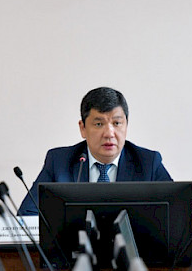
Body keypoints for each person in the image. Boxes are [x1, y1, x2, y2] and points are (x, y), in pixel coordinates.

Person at [17, 87, 173, 216]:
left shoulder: (148, 163)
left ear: (126, 125)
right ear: (83, 128)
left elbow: (180, 216)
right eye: (99, 124)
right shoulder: (59, 162)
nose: (109, 133)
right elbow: (27, 214)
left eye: (117, 123)